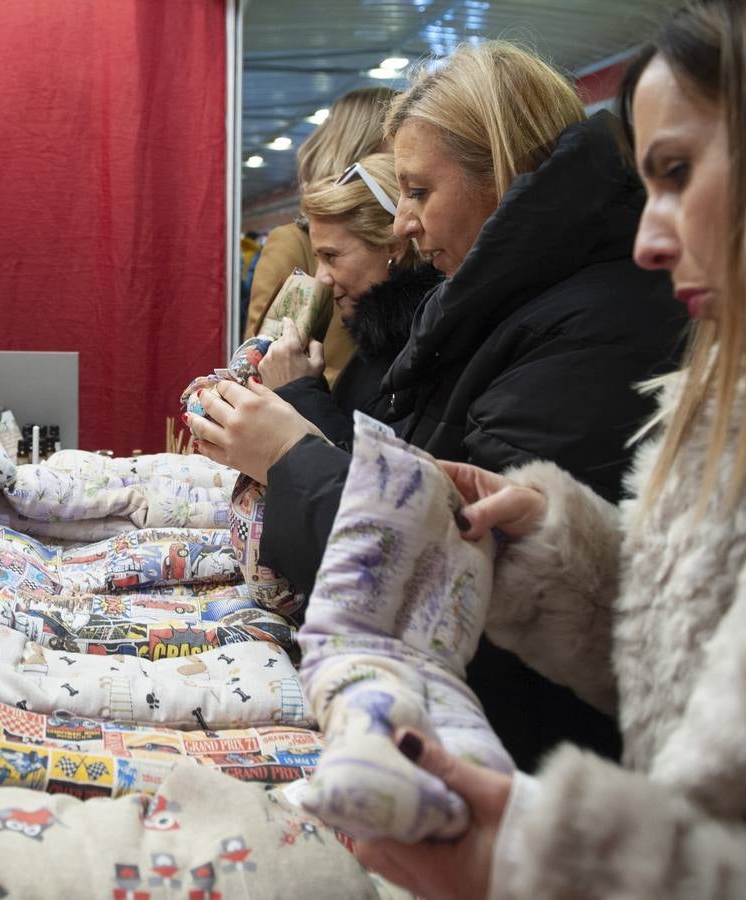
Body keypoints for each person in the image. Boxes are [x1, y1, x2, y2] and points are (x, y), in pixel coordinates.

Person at [190, 41, 687, 771]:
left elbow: (453, 580)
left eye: (420, 192)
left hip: (525, 761)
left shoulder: (586, 326)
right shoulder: (493, 309)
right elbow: (419, 486)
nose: (403, 226)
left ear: (505, 172)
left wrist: (289, 450)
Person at [357, 2, 746, 895]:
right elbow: (676, 662)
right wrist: (554, 550)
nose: (654, 236)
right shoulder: (712, 398)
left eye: (680, 172)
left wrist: (545, 857)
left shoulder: (595, 328)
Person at [257, 152, 442, 450]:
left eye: (331, 257)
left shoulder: (425, 349)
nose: (322, 278)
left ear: (393, 245)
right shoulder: (381, 341)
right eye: (318, 259)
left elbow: (366, 478)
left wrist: (300, 389)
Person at [245, 87, 398, 381]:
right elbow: (262, 359)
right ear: (362, 149)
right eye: (392, 150)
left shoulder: (408, 238)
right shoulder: (293, 242)